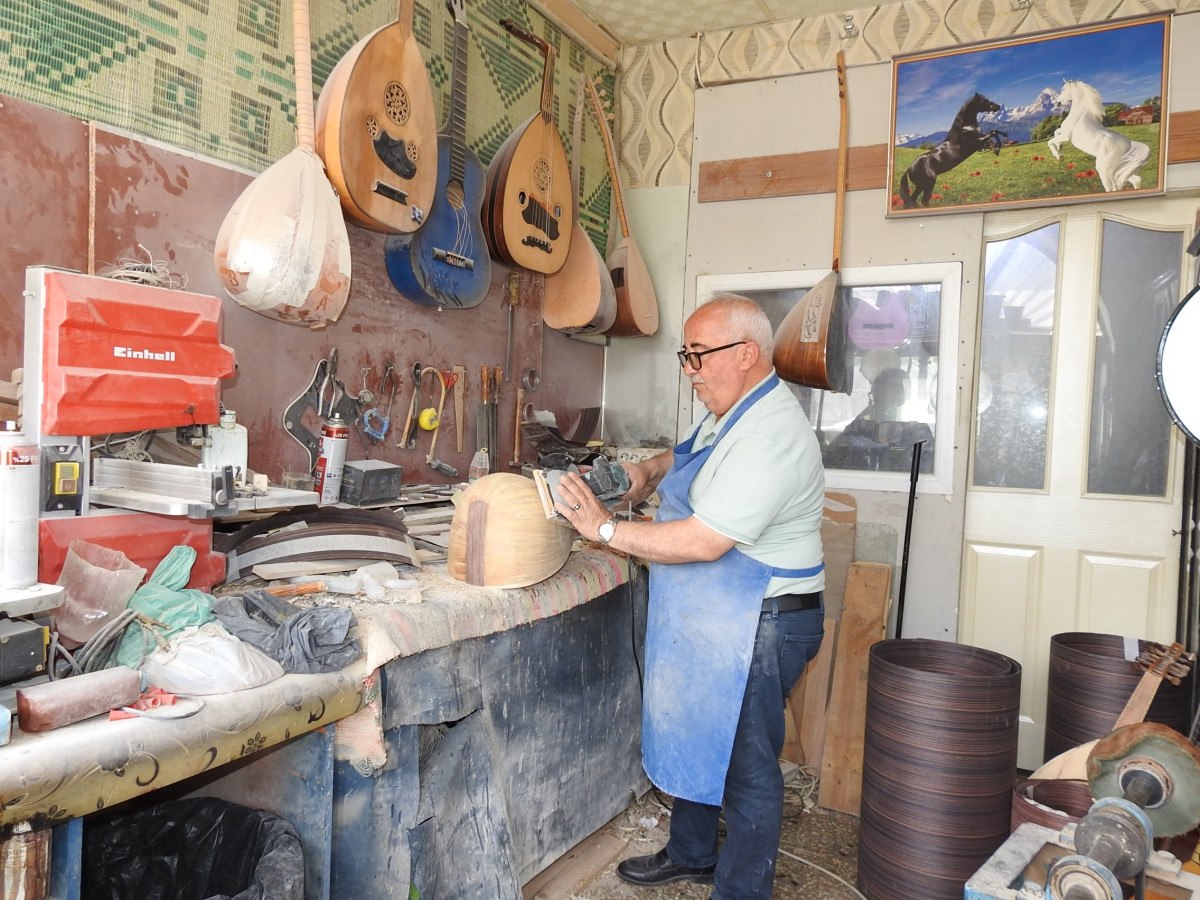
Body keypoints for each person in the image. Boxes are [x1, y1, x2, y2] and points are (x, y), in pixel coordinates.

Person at [553, 294, 827, 900]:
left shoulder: (771, 433)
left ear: (747, 353)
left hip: (762, 618)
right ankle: (693, 853)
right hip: (718, 612)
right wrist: (641, 474)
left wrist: (603, 528)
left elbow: (705, 543)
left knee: (745, 764)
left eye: (699, 356)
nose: (690, 371)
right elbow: (683, 455)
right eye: (686, 355)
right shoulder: (730, 411)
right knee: (704, 735)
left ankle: (741, 891)